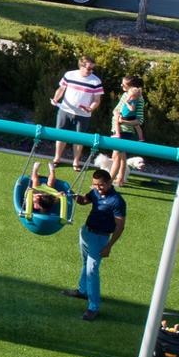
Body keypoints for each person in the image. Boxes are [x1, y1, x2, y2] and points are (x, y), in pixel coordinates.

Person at [65, 168, 125, 321]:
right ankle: (82, 290)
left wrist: (109, 246)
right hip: (86, 233)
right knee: (86, 263)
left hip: (100, 238)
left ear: (110, 183)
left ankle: (93, 307)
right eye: (95, 184)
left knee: (92, 270)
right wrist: (72, 194)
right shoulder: (95, 192)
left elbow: (120, 226)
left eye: (101, 185)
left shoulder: (117, 201)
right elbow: (84, 201)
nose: (97, 188)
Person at [50, 55, 105, 171]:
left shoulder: (96, 81)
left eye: (92, 68)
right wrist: (55, 99)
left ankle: (76, 162)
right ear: (81, 66)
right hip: (65, 110)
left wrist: (90, 108)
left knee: (79, 139)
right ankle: (57, 158)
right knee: (60, 136)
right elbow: (61, 89)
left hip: (83, 115)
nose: (91, 71)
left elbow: (97, 100)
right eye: (89, 68)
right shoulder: (69, 75)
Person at [112, 76, 145, 186]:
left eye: (124, 85)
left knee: (116, 156)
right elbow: (116, 109)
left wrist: (123, 122)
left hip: (125, 131)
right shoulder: (125, 95)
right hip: (117, 129)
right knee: (120, 157)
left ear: (132, 87)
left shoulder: (138, 99)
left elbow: (139, 120)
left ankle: (108, 182)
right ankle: (120, 179)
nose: (122, 86)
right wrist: (117, 115)